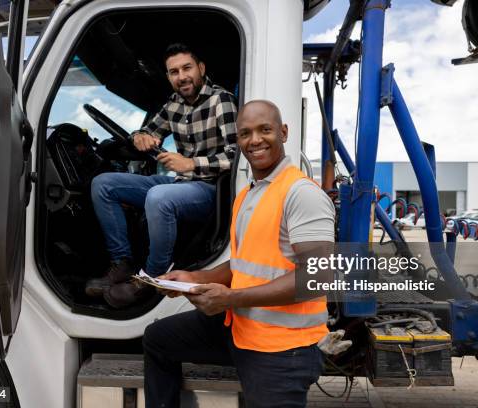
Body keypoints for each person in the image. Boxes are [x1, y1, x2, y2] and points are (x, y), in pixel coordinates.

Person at [142, 100, 336, 407]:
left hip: (282, 348)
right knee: (158, 340)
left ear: (283, 133)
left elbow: (318, 276)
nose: (255, 140)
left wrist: (231, 299)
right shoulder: (249, 192)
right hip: (242, 327)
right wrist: (195, 277)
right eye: (245, 133)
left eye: (265, 130)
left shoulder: (301, 193)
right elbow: (245, 262)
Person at [87, 43, 237, 307]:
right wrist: (141, 137)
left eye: (187, 68)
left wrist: (191, 164)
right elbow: (148, 131)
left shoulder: (220, 100)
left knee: (159, 197)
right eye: (174, 72)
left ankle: (152, 277)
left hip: (210, 189)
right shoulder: (174, 104)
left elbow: (237, 155)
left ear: (201, 69)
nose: (182, 76)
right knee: (103, 184)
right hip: (180, 183)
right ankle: (121, 261)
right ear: (168, 77)